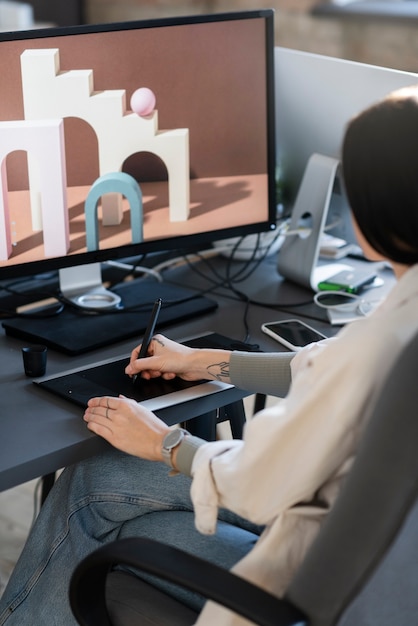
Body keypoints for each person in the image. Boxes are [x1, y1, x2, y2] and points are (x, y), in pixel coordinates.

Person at [2, 85, 418, 626]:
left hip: (300, 586)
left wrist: (162, 442)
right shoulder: (397, 326)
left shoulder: (379, 344)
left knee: (95, 498)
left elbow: (257, 481)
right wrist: (202, 362)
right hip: (376, 570)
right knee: (105, 502)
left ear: (374, 211)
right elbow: (323, 367)